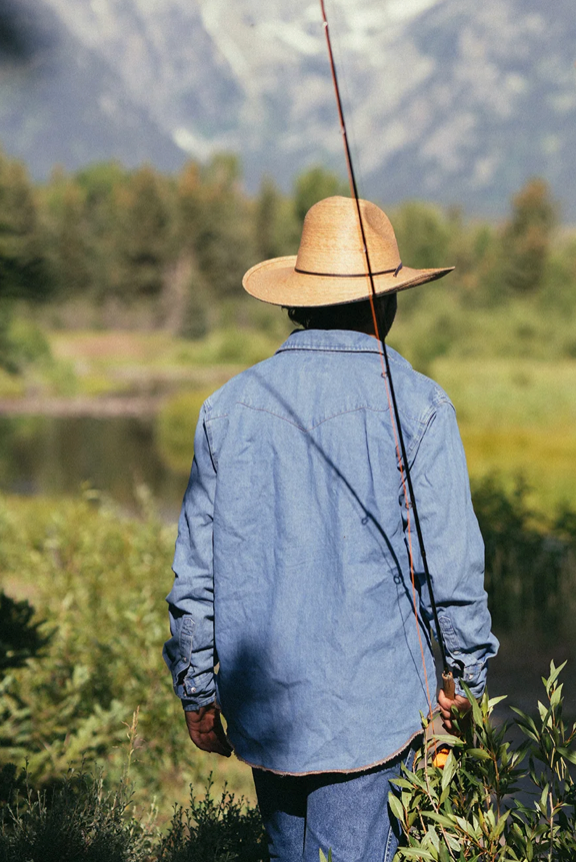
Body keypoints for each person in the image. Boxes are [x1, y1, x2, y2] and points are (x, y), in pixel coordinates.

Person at [163, 195, 498, 862]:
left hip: (269, 715)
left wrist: (198, 690)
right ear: (387, 304)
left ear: (300, 301)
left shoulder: (226, 408)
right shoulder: (422, 407)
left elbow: (196, 575)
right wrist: (465, 686)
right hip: (376, 718)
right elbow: (452, 574)